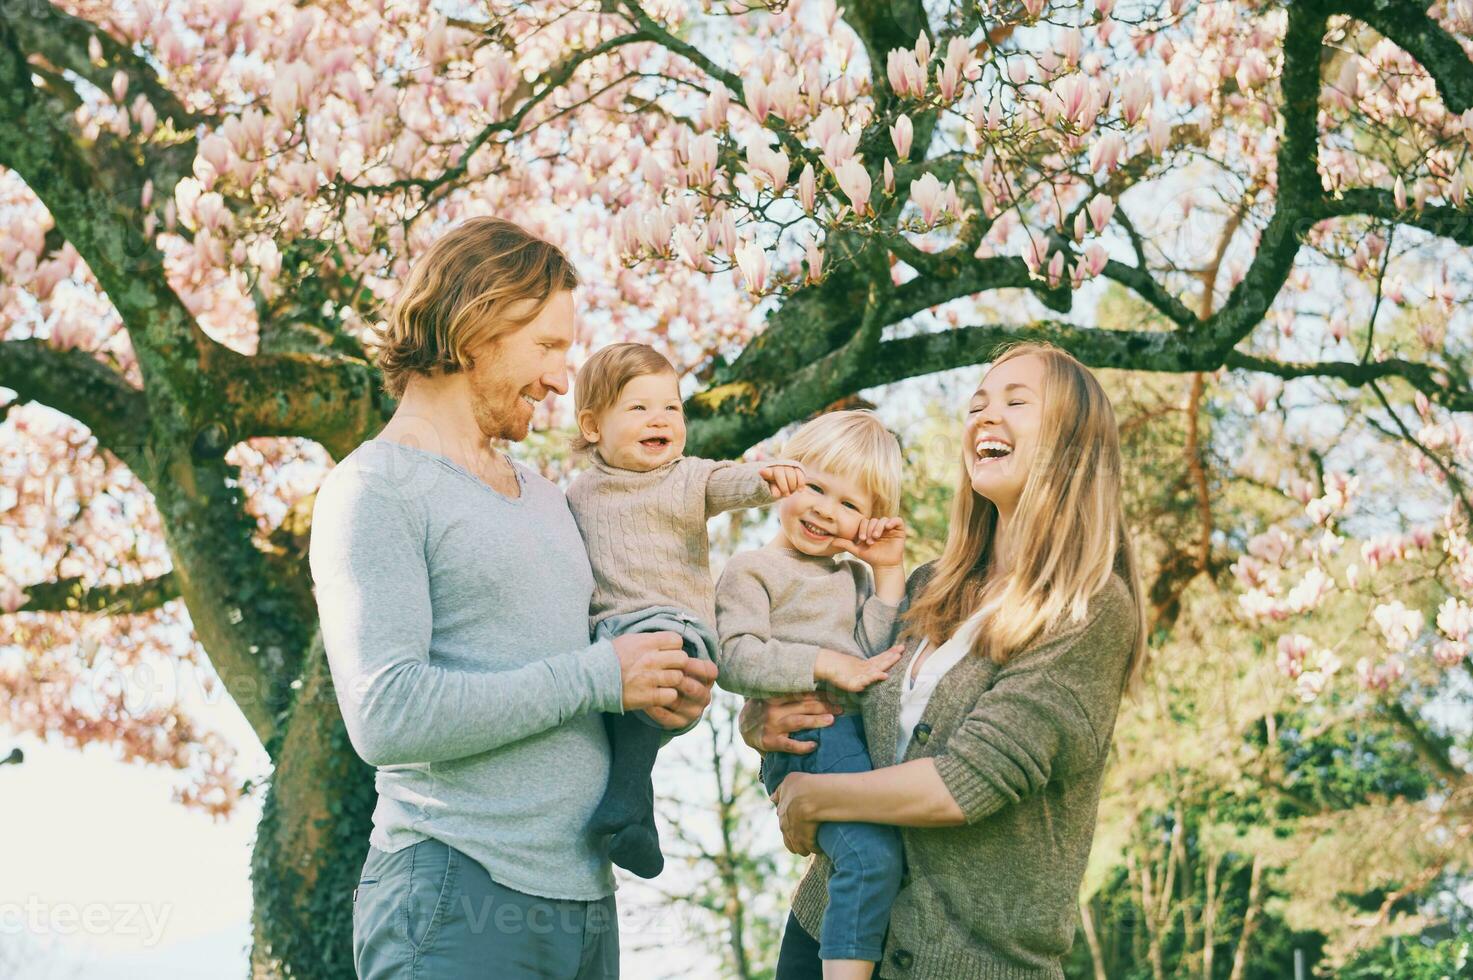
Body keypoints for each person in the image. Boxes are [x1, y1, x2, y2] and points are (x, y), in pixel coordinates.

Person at [309, 217, 717, 979]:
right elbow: (386, 715)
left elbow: (574, 682)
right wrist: (600, 676)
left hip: (586, 900)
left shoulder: (546, 499)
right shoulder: (375, 488)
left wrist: (654, 690)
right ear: (477, 325)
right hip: (455, 897)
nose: (563, 380)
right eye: (549, 347)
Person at [740, 341, 1149, 980]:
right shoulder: (929, 585)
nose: (986, 416)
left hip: (965, 963)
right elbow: (843, 686)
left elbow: (968, 782)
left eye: (1017, 402)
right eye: (978, 404)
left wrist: (815, 797)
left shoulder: (1088, 610)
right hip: (827, 935)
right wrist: (762, 721)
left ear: (1074, 443)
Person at [564, 342, 804, 878]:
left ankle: (627, 802)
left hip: (678, 630)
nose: (661, 419)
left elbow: (728, 480)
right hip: (609, 635)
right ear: (593, 425)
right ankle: (634, 819)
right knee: (613, 702)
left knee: (656, 657)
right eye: (639, 407)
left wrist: (767, 478)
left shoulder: (687, 478)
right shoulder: (577, 496)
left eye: (672, 407)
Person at [714, 410, 909, 980]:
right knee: (870, 857)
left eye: (850, 504)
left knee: (871, 854)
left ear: (869, 521)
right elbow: (735, 658)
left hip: (849, 737)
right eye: (816, 487)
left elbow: (877, 654)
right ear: (785, 478)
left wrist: (889, 571)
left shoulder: (852, 578)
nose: (826, 509)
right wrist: (823, 664)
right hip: (811, 736)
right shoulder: (753, 571)